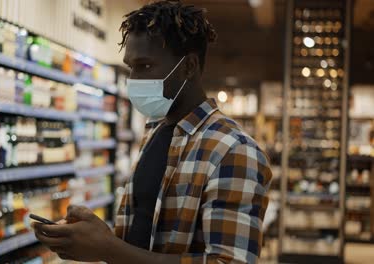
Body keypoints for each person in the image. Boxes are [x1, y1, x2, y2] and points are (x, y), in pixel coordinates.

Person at [33, 1, 272, 263]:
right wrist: (98, 237)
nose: (133, 79)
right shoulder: (157, 132)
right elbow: (146, 238)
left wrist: (109, 249)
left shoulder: (234, 151)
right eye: (130, 67)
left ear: (188, 67)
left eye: (145, 66)